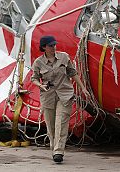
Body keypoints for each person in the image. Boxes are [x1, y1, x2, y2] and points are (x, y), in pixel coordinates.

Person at [31, 35, 90, 163]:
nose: (53, 47)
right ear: (44, 47)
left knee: (61, 122)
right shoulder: (38, 62)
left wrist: (83, 88)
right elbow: (34, 78)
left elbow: (72, 73)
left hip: (65, 94)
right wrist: (40, 85)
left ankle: (58, 151)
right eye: (50, 46)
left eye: (54, 45)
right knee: (51, 126)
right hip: (48, 96)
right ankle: (54, 147)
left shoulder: (64, 57)